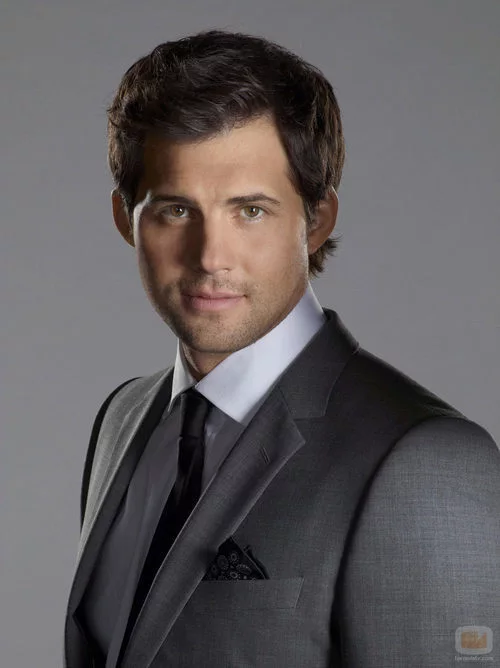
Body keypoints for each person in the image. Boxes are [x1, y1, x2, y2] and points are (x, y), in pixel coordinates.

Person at [63, 29, 500, 668]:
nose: (210, 257)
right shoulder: (123, 419)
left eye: (250, 211)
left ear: (316, 219)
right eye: (176, 211)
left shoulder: (428, 464)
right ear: (124, 218)